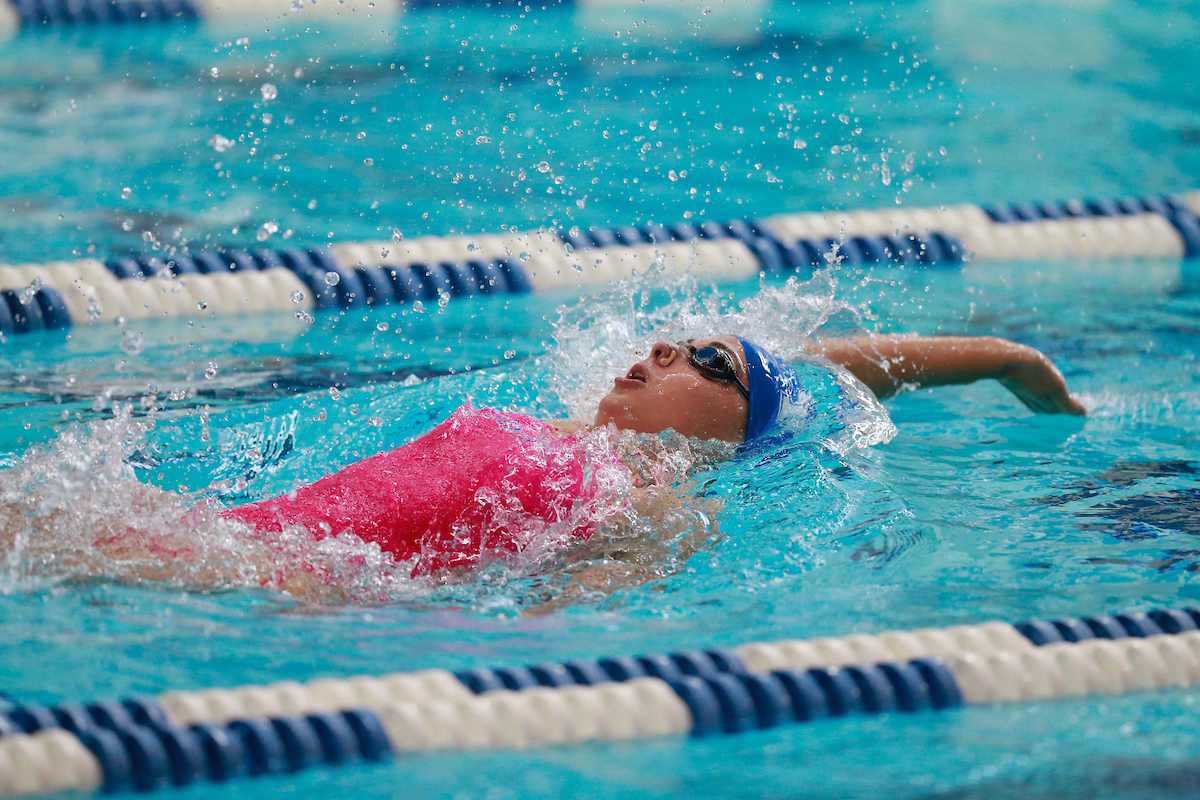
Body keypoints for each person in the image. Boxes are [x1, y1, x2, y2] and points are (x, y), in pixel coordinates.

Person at [0, 332, 1084, 602]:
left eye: (703, 360)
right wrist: (1008, 361)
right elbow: (829, 365)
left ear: (732, 427)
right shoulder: (582, 434)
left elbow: (549, 628)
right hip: (207, 526)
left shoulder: (648, 503)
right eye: (677, 335)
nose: (665, 348)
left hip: (252, 580)